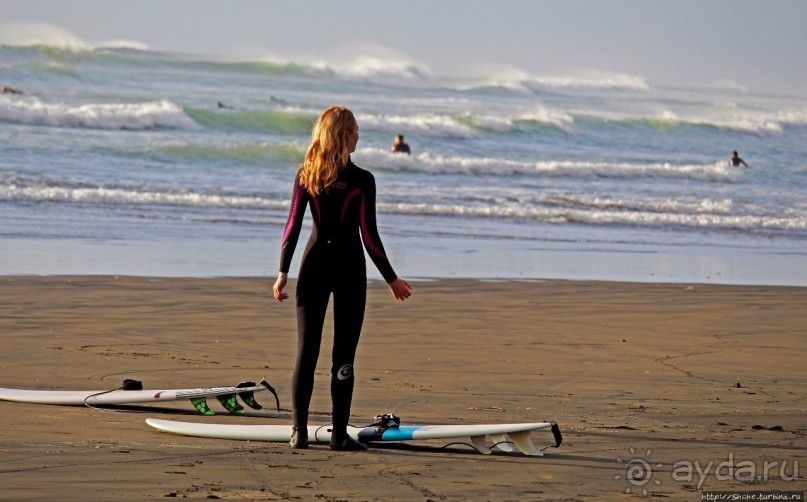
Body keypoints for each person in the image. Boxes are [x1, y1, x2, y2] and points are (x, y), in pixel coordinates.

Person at [273, 105, 412, 451]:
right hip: (350, 269)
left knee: (307, 350)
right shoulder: (363, 180)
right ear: (345, 135)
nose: (359, 135)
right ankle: (337, 435)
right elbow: (370, 235)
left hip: (313, 266)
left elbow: (291, 228)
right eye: (356, 130)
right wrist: (391, 279)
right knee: (343, 355)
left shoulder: (307, 173)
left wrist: (283, 272)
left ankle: (299, 432)